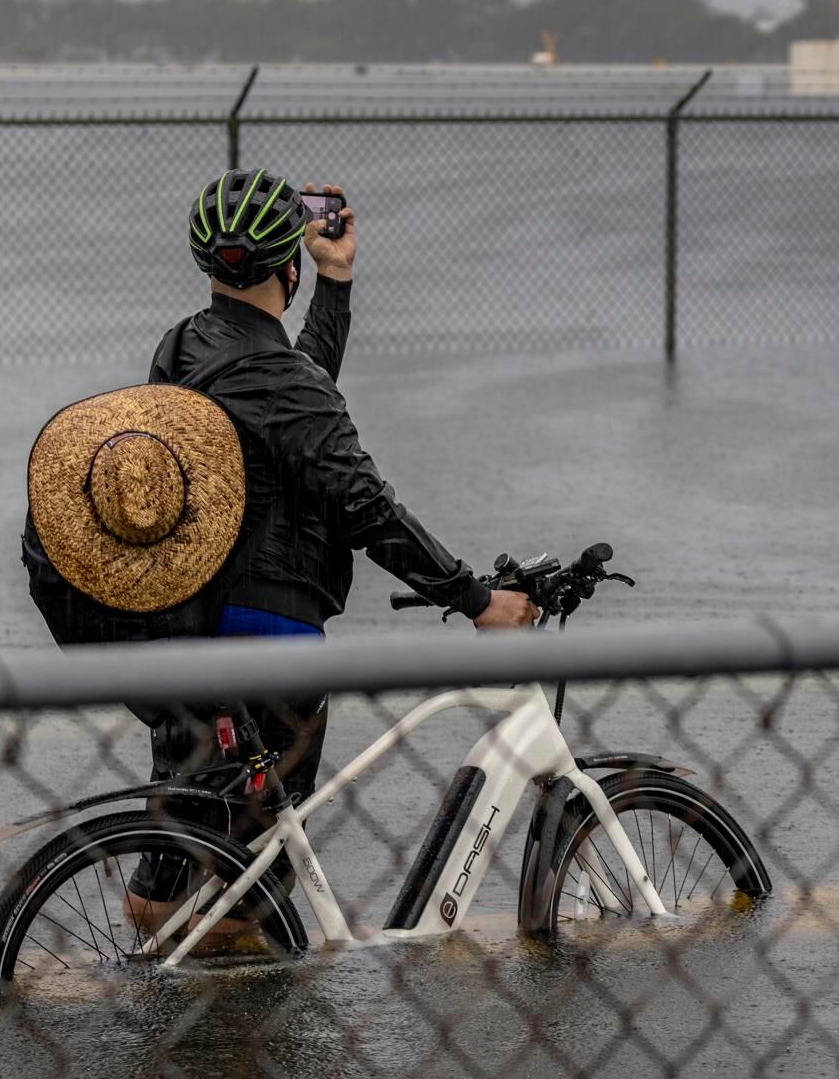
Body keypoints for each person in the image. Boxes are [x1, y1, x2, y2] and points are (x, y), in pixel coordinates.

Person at [122, 168, 537, 940]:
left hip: (183, 628)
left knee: (178, 856)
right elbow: (362, 505)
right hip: (269, 642)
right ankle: (237, 1039)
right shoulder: (279, 381)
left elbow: (290, 391)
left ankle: (167, 1008)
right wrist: (475, 599)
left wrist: (336, 281)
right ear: (288, 266)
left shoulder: (185, 345)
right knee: (251, 889)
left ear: (210, 267)